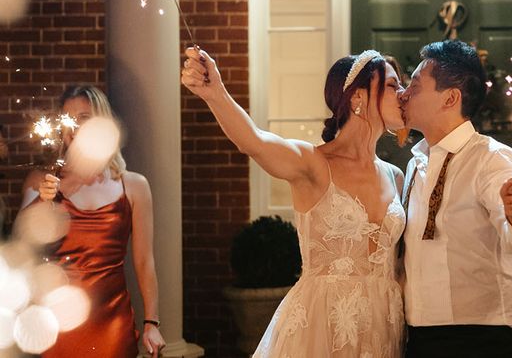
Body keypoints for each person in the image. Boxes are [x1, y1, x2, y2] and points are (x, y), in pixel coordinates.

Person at [181, 46, 407, 357]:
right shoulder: (313, 164)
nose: (404, 94)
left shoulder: (395, 176)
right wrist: (215, 92)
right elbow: (253, 141)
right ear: (358, 97)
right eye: (394, 85)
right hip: (321, 328)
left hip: (384, 328)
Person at [398, 40, 512, 358]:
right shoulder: (415, 164)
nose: (403, 93)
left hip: (479, 335)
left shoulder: (490, 158)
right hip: (418, 333)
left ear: (450, 98)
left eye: (415, 85)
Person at [20, 84, 165, 358]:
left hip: (112, 321)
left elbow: (145, 262)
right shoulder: (44, 182)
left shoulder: (133, 185)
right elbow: (20, 249)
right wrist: (44, 201)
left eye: (84, 118)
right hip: (57, 323)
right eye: (68, 119)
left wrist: (151, 323)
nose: (74, 127)